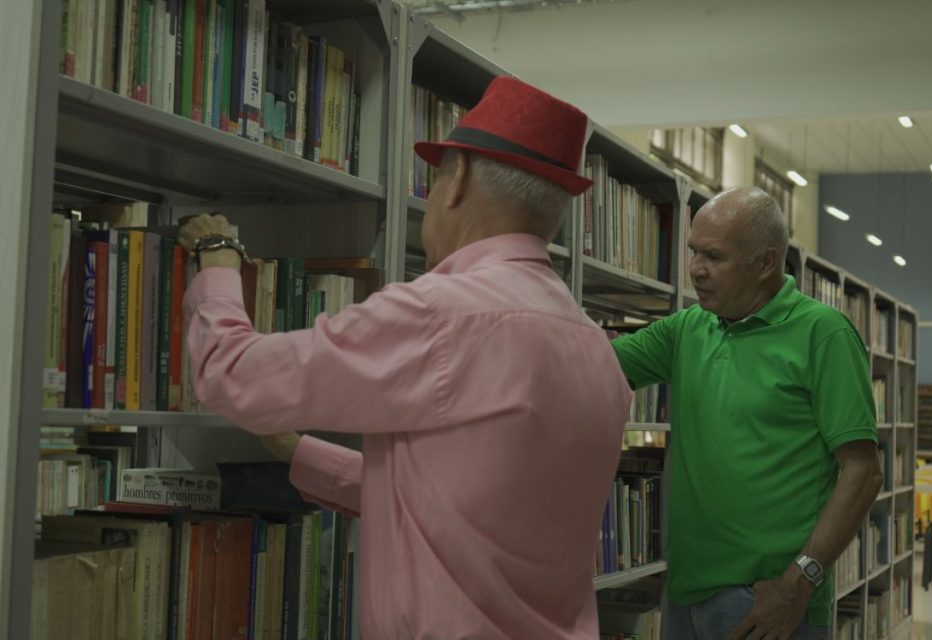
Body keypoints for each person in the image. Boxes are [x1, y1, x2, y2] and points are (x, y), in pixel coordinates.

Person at [177, 76, 632, 639]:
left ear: (458, 176)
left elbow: (230, 374)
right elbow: (457, 511)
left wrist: (217, 261)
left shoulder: (440, 314)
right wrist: (299, 452)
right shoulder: (596, 348)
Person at [611, 187, 883, 640]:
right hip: (684, 594)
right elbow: (589, 363)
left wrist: (799, 582)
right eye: (693, 251)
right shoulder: (688, 328)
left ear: (765, 263)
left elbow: (863, 471)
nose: (695, 269)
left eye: (714, 257)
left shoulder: (823, 332)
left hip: (768, 602)